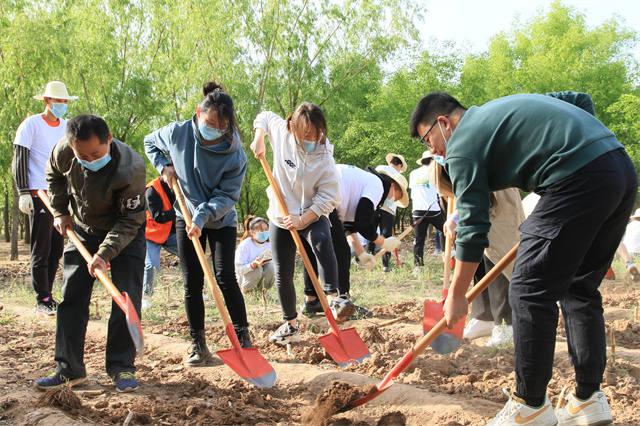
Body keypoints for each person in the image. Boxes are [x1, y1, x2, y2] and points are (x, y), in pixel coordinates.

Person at [411, 91, 636, 426]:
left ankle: (529, 406)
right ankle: (588, 400)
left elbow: (474, 226)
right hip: (618, 167)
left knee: (528, 289)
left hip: (576, 178)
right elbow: (580, 99)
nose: (433, 152)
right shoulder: (500, 110)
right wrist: (589, 145)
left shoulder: (462, 144)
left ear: (444, 123)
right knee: (579, 289)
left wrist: (457, 295)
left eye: (429, 140)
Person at [35, 114, 146, 393]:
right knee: (71, 295)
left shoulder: (129, 167)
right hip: (83, 229)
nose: (88, 159)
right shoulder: (64, 150)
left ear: (109, 140)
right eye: (81, 154)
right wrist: (60, 211)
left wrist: (105, 254)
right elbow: (54, 176)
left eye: (95, 153)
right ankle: (68, 369)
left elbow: (130, 220)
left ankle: (121, 367)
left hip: (125, 233)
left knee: (126, 297)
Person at [145, 81, 252, 366]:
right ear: (198, 112)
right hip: (185, 215)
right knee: (191, 281)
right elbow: (149, 142)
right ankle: (198, 344)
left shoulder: (234, 153)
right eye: (209, 122)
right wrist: (163, 166)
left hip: (220, 219)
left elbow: (227, 196)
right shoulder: (178, 133)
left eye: (221, 126)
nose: (214, 129)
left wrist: (202, 217)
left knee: (225, 276)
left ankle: (243, 339)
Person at [250, 102, 354, 345]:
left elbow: (329, 196)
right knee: (283, 271)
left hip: (310, 213)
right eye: (306, 135)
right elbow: (264, 116)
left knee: (321, 240)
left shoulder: (324, 154)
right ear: (291, 127)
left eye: (317, 135)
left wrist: (303, 219)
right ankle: (290, 326)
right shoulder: (281, 133)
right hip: (280, 215)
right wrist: (259, 138)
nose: (312, 139)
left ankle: (334, 299)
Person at [433, 162, 525, 347]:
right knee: (478, 262)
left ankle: (506, 324)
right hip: (478, 210)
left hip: (499, 211)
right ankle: (484, 317)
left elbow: (483, 192)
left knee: (499, 264)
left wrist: (457, 215)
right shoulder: (450, 154)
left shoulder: (472, 148)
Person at [12, 81, 78, 317]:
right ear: (47, 101)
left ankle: (48, 295)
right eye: (59, 101)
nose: (63, 105)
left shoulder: (66, 127)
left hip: (59, 194)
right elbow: (20, 157)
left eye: (65, 101)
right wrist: (23, 191)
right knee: (41, 248)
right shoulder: (31, 124)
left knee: (55, 248)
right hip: (38, 193)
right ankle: (42, 298)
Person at [143, 176, 180, 309]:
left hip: (170, 233)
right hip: (151, 234)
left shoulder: (182, 185)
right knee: (151, 265)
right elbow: (158, 216)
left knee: (192, 257)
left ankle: (196, 290)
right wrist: (179, 210)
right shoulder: (152, 190)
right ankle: (146, 296)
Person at [366, 154, 407, 273]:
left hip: (375, 204)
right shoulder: (398, 176)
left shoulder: (379, 168)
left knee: (371, 233)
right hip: (388, 210)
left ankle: (368, 262)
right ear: (399, 165)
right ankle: (385, 265)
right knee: (386, 236)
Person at [409, 151, 446, 275]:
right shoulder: (434, 172)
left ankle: (417, 267)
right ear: (432, 161)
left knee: (419, 239)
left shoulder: (413, 173)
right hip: (432, 209)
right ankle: (445, 255)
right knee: (445, 230)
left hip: (417, 210)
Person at [235, 216, 274, 295]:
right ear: (252, 232)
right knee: (257, 269)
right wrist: (253, 265)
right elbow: (238, 270)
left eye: (266, 229)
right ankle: (244, 293)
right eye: (261, 230)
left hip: (262, 273)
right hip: (245, 278)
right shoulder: (245, 245)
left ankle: (263, 292)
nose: (265, 232)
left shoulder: (269, 243)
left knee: (271, 268)